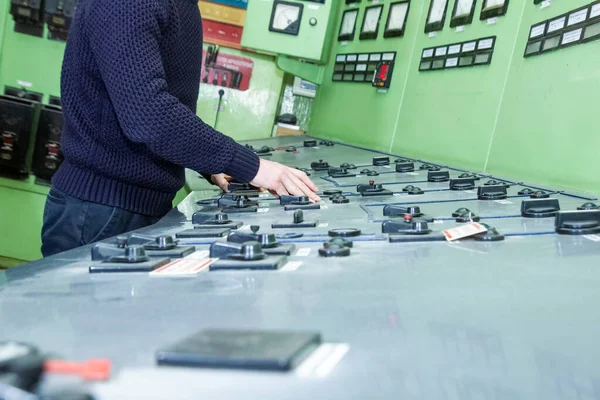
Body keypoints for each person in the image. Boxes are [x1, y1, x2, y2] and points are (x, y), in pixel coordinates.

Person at [41, 0, 320, 257]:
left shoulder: (183, 4)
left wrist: (211, 165)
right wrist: (254, 167)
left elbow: (168, 107)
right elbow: (148, 113)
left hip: (139, 207)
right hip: (99, 210)